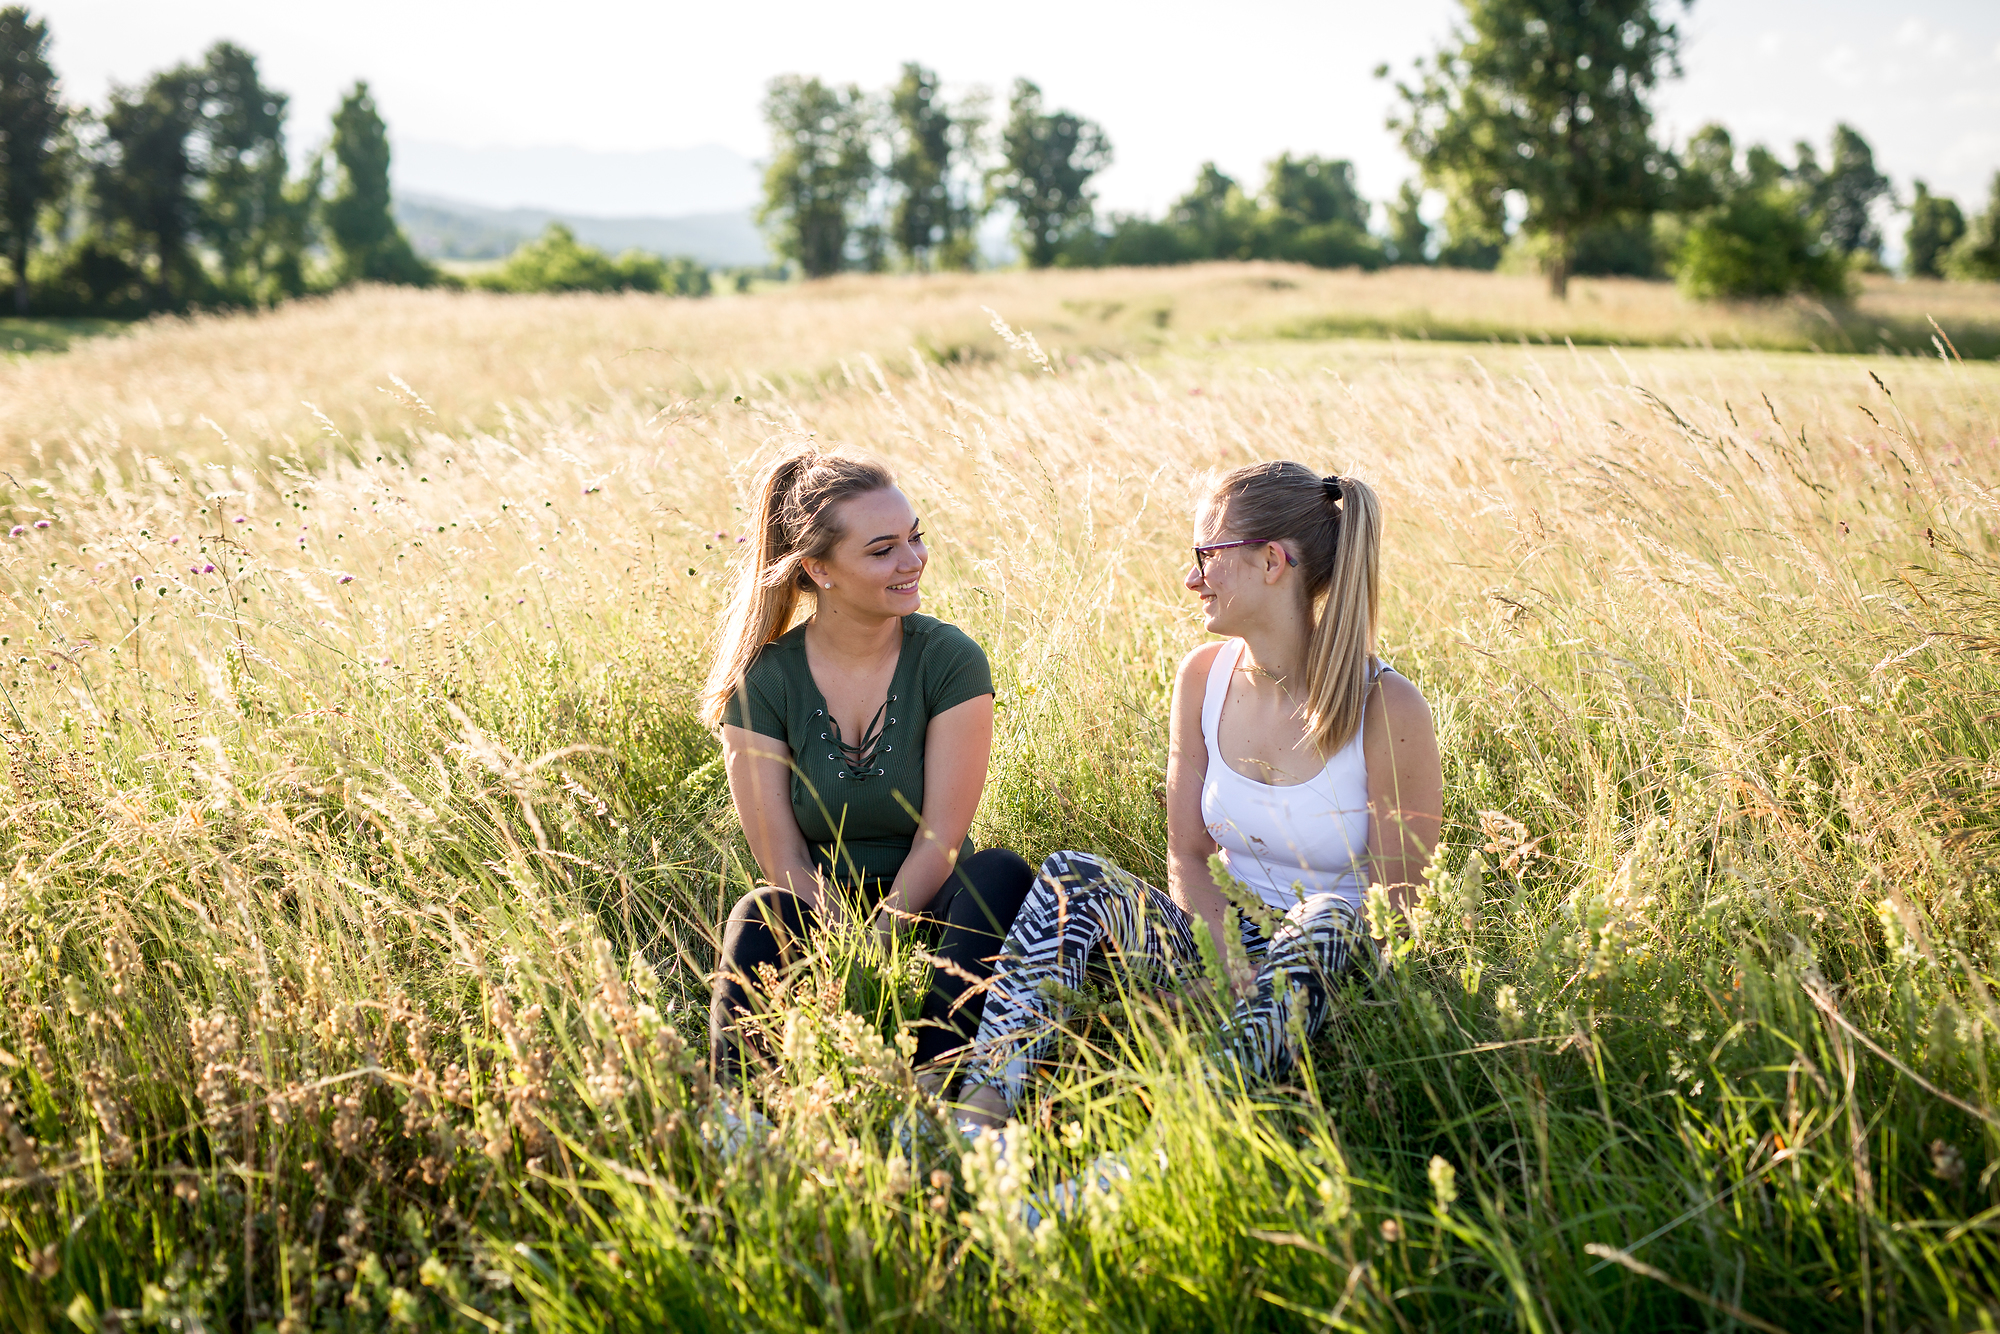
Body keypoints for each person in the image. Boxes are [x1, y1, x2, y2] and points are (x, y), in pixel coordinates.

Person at [955, 462, 1443, 1127]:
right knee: (1073, 877)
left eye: (1205, 557)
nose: (1191, 579)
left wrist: (1265, 984)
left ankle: (1177, 1142)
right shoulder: (1203, 678)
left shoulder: (1388, 707)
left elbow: (1397, 913)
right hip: (1220, 939)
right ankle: (977, 1126)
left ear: (1272, 562)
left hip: (1334, 962)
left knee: (1328, 913)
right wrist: (1224, 965)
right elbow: (1188, 854)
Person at [702, 444, 1034, 1083]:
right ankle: (740, 1111)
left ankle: (939, 1079)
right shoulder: (766, 680)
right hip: (815, 908)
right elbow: (782, 858)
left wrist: (884, 939)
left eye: (915, 539)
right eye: (882, 551)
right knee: (759, 909)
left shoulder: (949, 660)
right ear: (819, 569)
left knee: (997, 874)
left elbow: (942, 838)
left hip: (936, 900)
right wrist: (846, 946)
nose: (913, 563)